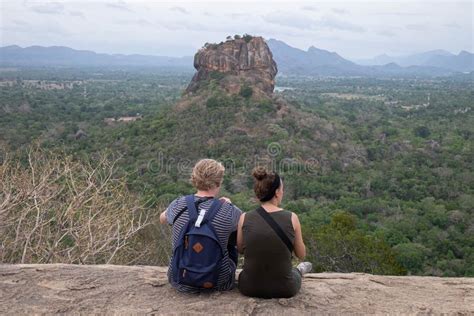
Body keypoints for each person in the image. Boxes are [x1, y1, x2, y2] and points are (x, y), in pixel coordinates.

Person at [160, 159, 242, 293]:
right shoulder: (230, 211)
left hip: (178, 279)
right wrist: (230, 205)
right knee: (231, 239)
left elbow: (162, 219)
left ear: (194, 179)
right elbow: (246, 225)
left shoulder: (178, 204)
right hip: (218, 283)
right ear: (218, 182)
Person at [237, 167, 312, 298]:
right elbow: (301, 254)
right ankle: (300, 270)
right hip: (285, 289)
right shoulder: (292, 217)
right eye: (282, 189)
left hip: (248, 287)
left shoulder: (244, 217)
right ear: (277, 192)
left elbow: (240, 249)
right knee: (296, 271)